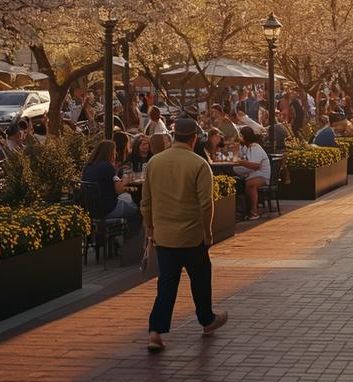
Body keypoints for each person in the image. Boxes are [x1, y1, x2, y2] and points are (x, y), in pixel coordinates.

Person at [142, 118, 227, 352]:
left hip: (165, 235)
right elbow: (206, 204)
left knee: (167, 283)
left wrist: (150, 229)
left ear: (173, 136)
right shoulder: (199, 164)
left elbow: (146, 202)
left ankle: (155, 331)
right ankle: (206, 319)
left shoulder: (154, 162)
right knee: (200, 278)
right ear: (193, 139)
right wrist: (208, 232)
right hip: (191, 235)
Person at [82, 140, 140, 223]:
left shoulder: (88, 166)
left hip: (91, 209)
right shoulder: (107, 166)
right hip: (107, 209)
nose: (116, 153)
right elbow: (119, 190)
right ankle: (133, 235)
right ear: (110, 152)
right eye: (114, 151)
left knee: (127, 199)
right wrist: (126, 182)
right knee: (136, 207)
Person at [233, 127, 271, 218]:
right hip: (254, 174)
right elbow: (244, 160)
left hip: (262, 175)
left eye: (240, 136)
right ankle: (244, 210)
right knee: (242, 182)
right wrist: (236, 150)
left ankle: (254, 211)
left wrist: (240, 162)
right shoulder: (248, 147)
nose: (239, 138)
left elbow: (255, 166)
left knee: (250, 184)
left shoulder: (255, 147)